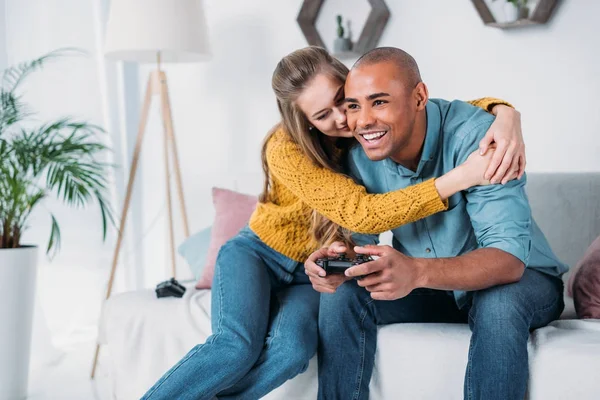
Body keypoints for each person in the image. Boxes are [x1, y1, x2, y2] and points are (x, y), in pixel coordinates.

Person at [141, 46, 524, 400]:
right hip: (258, 254)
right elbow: (361, 214)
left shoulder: (369, 132)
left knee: (292, 350)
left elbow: (426, 106)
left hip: (311, 271)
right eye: (323, 115)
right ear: (304, 121)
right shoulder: (286, 149)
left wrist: (505, 113)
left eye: (344, 101)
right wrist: (461, 177)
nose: (343, 118)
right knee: (235, 345)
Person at [306, 47, 567, 400]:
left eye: (379, 102)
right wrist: (340, 260)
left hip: (522, 280)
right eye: (353, 105)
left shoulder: (483, 139)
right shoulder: (360, 157)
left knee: (499, 305)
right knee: (345, 293)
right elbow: (361, 244)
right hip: (433, 287)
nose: (363, 121)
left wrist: (416, 272)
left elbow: (508, 259)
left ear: (419, 97)